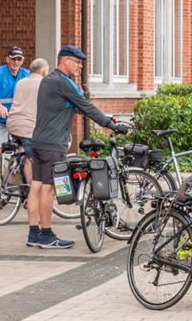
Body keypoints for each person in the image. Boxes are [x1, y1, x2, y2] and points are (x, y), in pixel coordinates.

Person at [27, 46, 128, 249]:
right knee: (48, 189)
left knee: (36, 186)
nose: (79, 66)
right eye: (77, 62)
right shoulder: (64, 82)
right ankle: (46, 235)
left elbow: (69, 106)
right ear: (65, 61)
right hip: (53, 145)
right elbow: (86, 106)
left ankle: (33, 233)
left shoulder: (48, 80)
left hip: (37, 142)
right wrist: (113, 125)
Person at [4, 58, 47, 238]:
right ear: (43, 71)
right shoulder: (43, 83)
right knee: (32, 160)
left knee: (23, 153)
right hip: (28, 127)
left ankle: (19, 181)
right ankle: (31, 195)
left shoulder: (21, 81)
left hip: (13, 124)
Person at [0, 46, 29, 155]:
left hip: (18, 120)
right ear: (7, 59)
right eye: (13, 59)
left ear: (22, 61)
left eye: (19, 59)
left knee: (24, 152)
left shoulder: (27, 74)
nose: (16, 62)